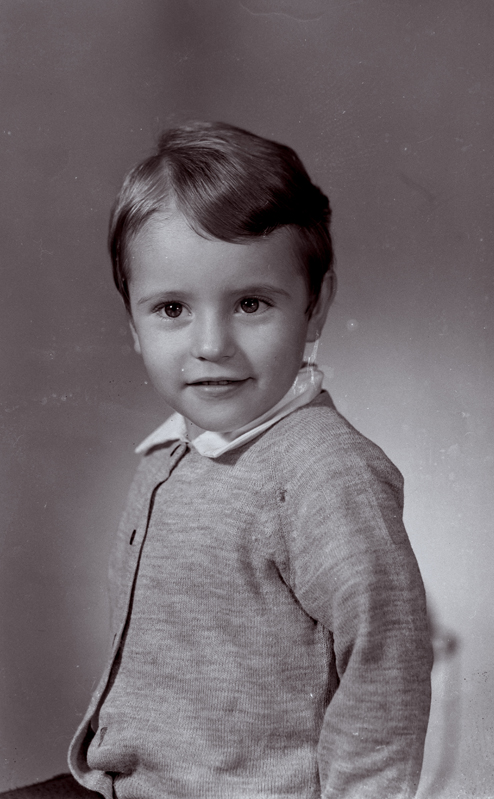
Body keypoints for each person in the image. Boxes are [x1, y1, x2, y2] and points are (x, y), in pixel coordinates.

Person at [6, 122, 433, 799]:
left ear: (315, 306)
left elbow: (387, 660)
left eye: (251, 303)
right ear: (133, 323)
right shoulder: (164, 457)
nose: (211, 344)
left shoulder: (325, 471)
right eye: (172, 307)